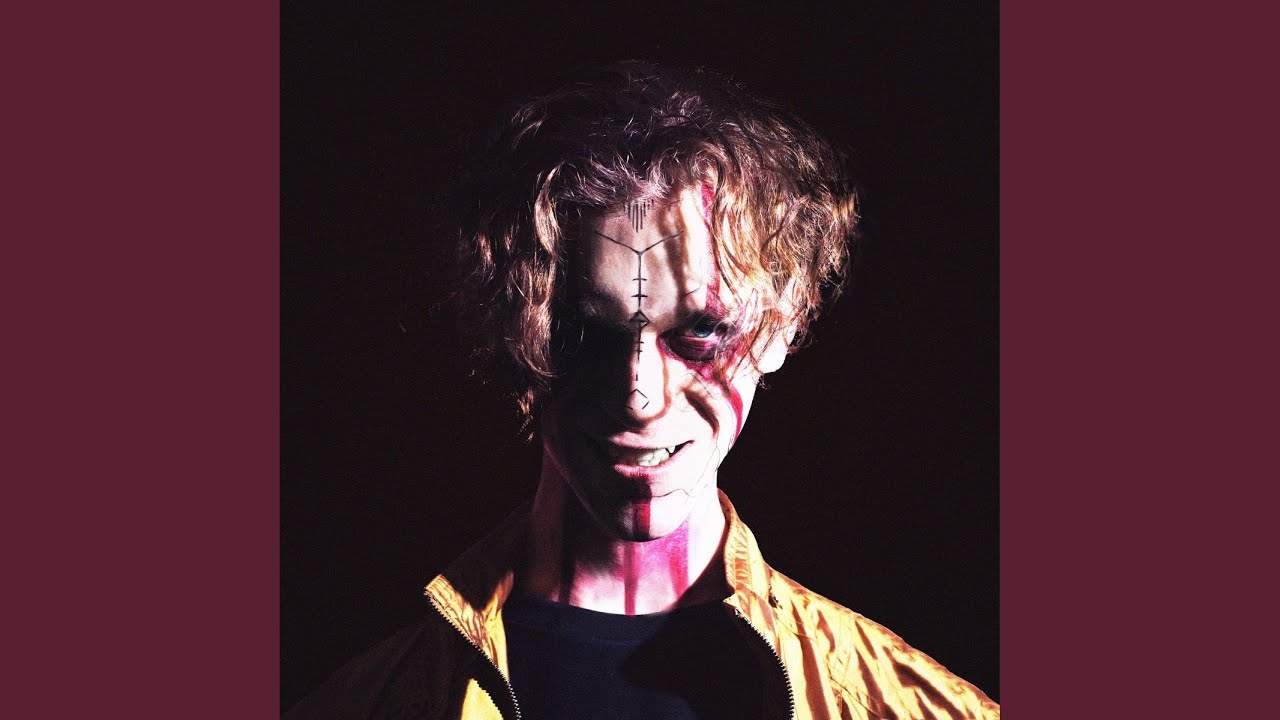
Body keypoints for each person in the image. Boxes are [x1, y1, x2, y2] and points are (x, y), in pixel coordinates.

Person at [285, 60, 998, 720]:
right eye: (581, 332)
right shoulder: (374, 703)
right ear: (513, 330)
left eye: (702, 331)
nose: (638, 395)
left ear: (786, 324)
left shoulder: (907, 707)